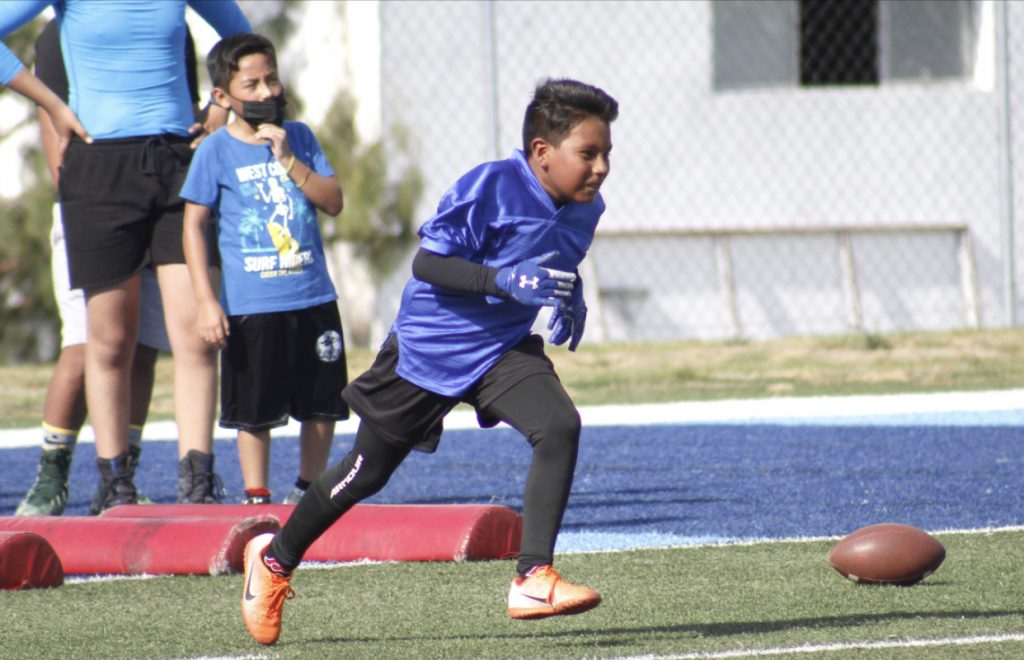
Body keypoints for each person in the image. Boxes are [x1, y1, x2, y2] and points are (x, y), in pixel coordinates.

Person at [239, 77, 618, 645]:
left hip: (501, 349)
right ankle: (273, 561)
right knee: (365, 473)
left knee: (559, 424)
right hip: (431, 349)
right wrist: (500, 280)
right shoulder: (490, 186)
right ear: (542, 152)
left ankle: (533, 578)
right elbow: (429, 264)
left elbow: (555, 255)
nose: (602, 167)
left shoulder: (588, 207)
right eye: (589, 153)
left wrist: (572, 293)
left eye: (607, 153)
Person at [0, 1, 252, 512]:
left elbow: (240, 38)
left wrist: (218, 109)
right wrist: (53, 104)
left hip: (179, 160)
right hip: (99, 166)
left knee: (196, 334)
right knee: (111, 340)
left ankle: (198, 483)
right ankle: (115, 484)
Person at [180, 33, 348, 506]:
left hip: (312, 295)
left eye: (271, 79)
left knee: (321, 404)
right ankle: (257, 495)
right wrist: (206, 300)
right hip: (251, 303)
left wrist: (289, 159)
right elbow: (192, 226)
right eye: (251, 85)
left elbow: (333, 202)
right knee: (254, 409)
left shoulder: (301, 138)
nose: (266, 92)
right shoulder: (214, 150)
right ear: (222, 96)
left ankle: (309, 491)